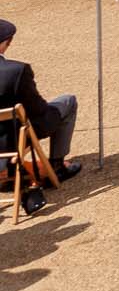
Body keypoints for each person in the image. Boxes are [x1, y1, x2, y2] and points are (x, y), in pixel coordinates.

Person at [0, 18, 83, 187]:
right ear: (5, 43)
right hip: (12, 138)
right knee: (68, 102)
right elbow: (38, 110)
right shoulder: (17, 71)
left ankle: (7, 170)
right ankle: (57, 167)